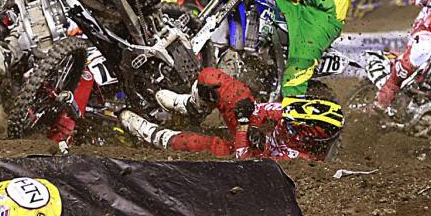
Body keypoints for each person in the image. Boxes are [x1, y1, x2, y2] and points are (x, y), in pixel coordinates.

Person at [119, 67, 343, 161]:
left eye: (292, 127)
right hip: (251, 132)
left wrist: (246, 127)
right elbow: (265, 110)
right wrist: (248, 110)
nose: (286, 124)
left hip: (250, 160)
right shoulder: (292, 114)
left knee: (204, 145)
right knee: (215, 80)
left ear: (307, 139)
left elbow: (242, 158)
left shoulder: (300, 160)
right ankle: (192, 107)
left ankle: (153, 134)